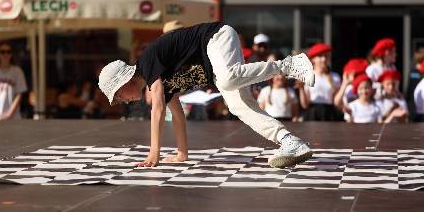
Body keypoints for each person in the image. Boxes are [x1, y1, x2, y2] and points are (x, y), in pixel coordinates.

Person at [98, 22, 315, 168]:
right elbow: (177, 114)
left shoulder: (147, 64)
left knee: (228, 78)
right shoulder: (160, 82)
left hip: (217, 37)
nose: (122, 101)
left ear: (123, 81)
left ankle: (288, 64)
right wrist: (182, 153)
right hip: (215, 60)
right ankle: (290, 142)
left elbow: (157, 109)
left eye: (118, 95)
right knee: (239, 106)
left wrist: (153, 153)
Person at [298, 43, 342, 121]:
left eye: (326, 56)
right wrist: (301, 88)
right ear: (313, 59)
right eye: (320, 56)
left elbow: (336, 102)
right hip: (313, 113)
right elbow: (305, 105)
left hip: (330, 113)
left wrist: (336, 85)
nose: (324, 59)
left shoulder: (335, 77)